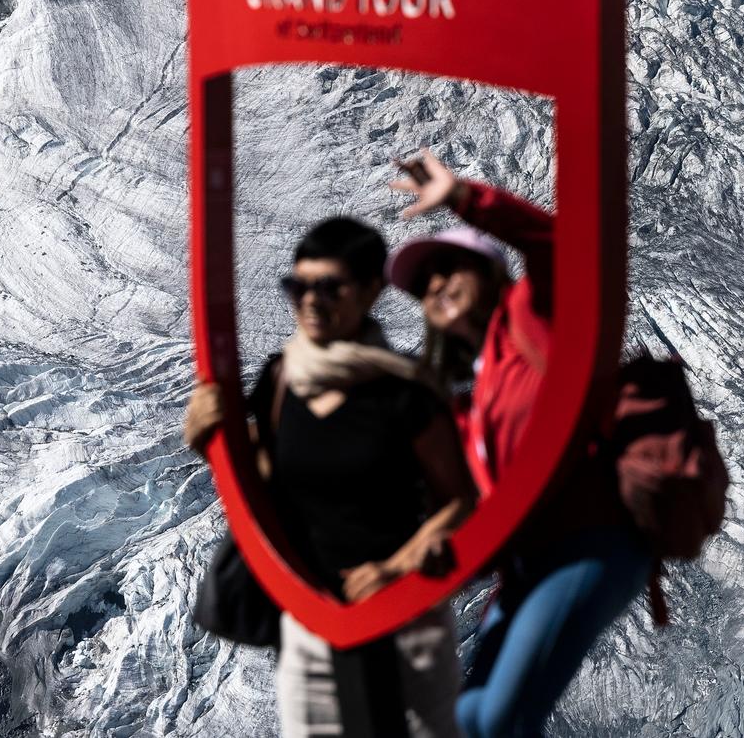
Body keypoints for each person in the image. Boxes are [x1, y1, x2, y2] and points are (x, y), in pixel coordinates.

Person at [388, 152, 652, 738]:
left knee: (500, 718)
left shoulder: (537, 317)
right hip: (528, 570)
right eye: (425, 286)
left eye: (449, 270)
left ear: (490, 274)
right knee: (470, 718)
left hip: (592, 543)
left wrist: (464, 198)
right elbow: (481, 520)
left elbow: (558, 244)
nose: (435, 288)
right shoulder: (470, 406)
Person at [185, 216, 475, 738]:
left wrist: (394, 568)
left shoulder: (406, 392)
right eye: (299, 286)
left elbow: (458, 501)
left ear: (370, 291)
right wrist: (211, 442)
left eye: (329, 287)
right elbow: (266, 480)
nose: (311, 301)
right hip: (311, 621)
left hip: (405, 622)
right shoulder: (280, 378)